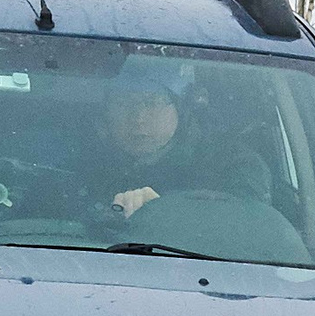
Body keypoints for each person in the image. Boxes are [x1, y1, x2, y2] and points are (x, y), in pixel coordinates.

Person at [78, 61, 270, 222]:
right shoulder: (76, 163)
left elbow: (247, 231)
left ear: (181, 109)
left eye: (152, 102)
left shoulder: (232, 165)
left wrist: (168, 213)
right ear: (105, 112)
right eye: (123, 103)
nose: (138, 118)